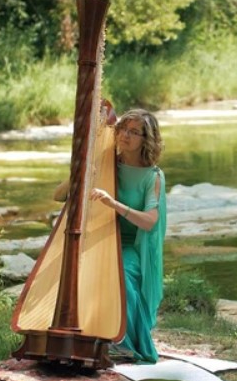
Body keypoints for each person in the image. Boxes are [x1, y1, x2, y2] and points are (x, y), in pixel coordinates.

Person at [53, 108, 166, 363]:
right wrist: (79, 173)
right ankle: (86, 334)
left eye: (134, 132)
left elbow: (149, 222)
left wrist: (113, 203)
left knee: (121, 277)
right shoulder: (105, 164)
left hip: (131, 246)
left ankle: (122, 343)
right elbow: (59, 196)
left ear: (146, 140)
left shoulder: (152, 177)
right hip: (101, 238)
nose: (125, 135)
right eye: (123, 129)